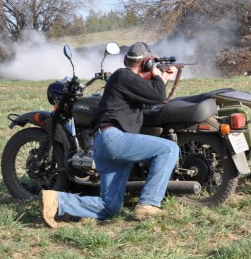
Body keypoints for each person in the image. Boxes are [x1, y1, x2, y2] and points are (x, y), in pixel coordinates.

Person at [40, 41, 180, 228]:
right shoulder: (124, 75)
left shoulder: (127, 81)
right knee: (169, 149)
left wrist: (162, 77)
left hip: (107, 144)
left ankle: (56, 201)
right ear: (146, 62)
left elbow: (152, 97)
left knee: (110, 207)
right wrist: (158, 75)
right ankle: (148, 203)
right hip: (113, 139)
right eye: (151, 63)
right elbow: (158, 94)